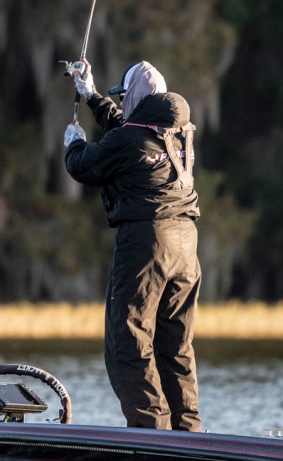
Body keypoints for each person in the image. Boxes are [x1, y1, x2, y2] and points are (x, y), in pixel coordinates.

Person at [63, 58, 202, 431]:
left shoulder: (128, 139)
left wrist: (74, 145)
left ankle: (151, 435)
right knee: (175, 347)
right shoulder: (181, 130)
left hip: (147, 243)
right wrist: (91, 95)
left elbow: (84, 166)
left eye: (125, 98)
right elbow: (129, 130)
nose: (122, 105)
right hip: (186, 245)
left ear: (138, 98)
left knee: (128, 343)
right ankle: (187, 435)